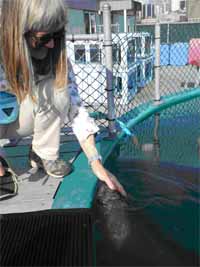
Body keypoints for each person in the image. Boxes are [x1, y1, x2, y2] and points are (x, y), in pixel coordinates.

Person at [0, 0, 126, 197]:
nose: (51, 44)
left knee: (58, 90)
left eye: (57, 35)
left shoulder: (56, 53)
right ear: (17, 32)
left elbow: (76, 109)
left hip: (18, 117)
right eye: (44, 37)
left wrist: (95, 160)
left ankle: (43, 154)